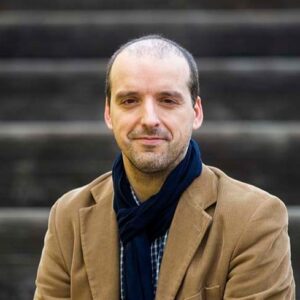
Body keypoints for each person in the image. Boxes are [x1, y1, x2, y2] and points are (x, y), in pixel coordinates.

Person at [34, 35, 295, 300]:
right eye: (129, 101)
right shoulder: (68, 217)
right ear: (108, 114)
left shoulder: (254, 218)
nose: (149, 119)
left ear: (196, 113)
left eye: (168, 100)